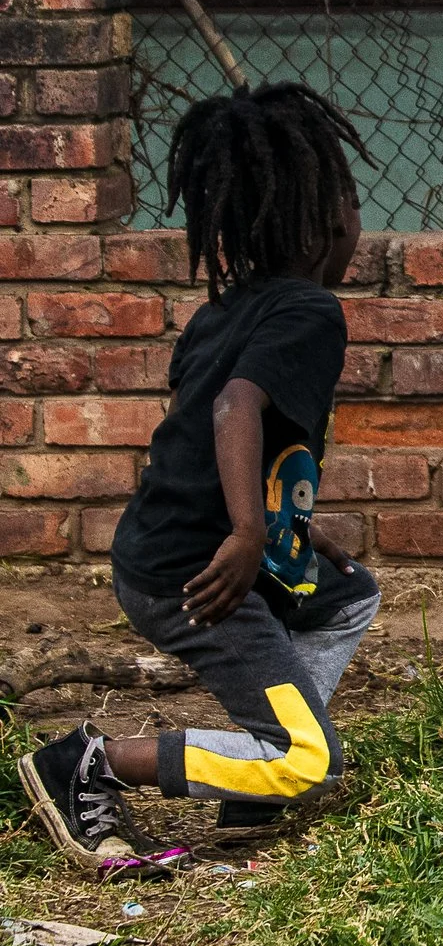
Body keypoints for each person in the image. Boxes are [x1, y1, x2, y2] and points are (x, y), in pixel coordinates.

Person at [17, 84, 378, 875]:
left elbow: (196, 422)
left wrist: (286, 524)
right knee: (312, 760)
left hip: (168, 547)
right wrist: (250, 533)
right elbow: (234, 410)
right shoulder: (310, 310)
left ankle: (253, 780)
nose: (359, 224)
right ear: (323, 219)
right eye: (351, 202)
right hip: (198, 569)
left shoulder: (224, 311)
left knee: (348, 592)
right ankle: (88, 762)